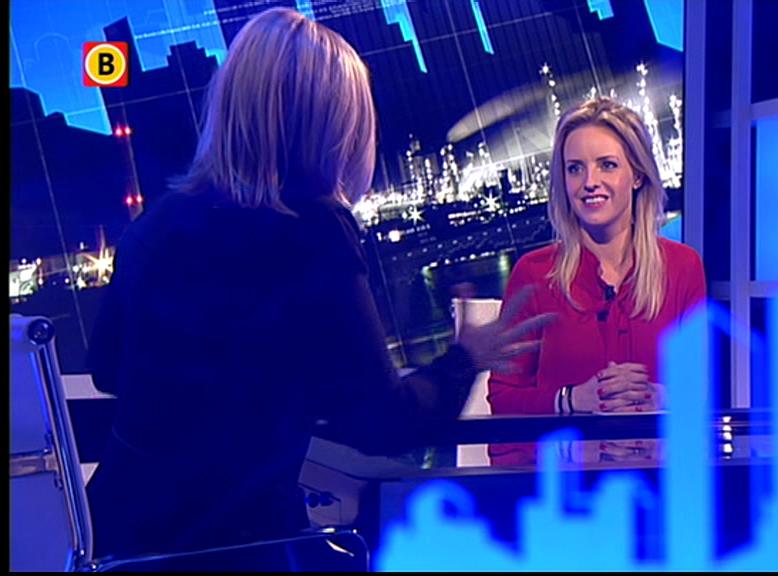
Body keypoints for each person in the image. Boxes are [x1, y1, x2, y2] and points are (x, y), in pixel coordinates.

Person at [85, 7, 551, 569]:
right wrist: (468, 357)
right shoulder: (311, 229)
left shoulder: (157, 221)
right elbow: (381, 422)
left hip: (114, 544)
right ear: (333, 126)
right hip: (238, 547)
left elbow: (106, 368)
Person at [487, 97, 706, 465]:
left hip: (661, 479)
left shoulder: (683, 267)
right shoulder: (534, 274)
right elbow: (503, 400)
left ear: (637, 175)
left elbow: (702, 389)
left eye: (607, 165)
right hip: (563, 484)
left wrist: (657, 398)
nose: (590, 182)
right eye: (575, 169)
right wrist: (572, 400)